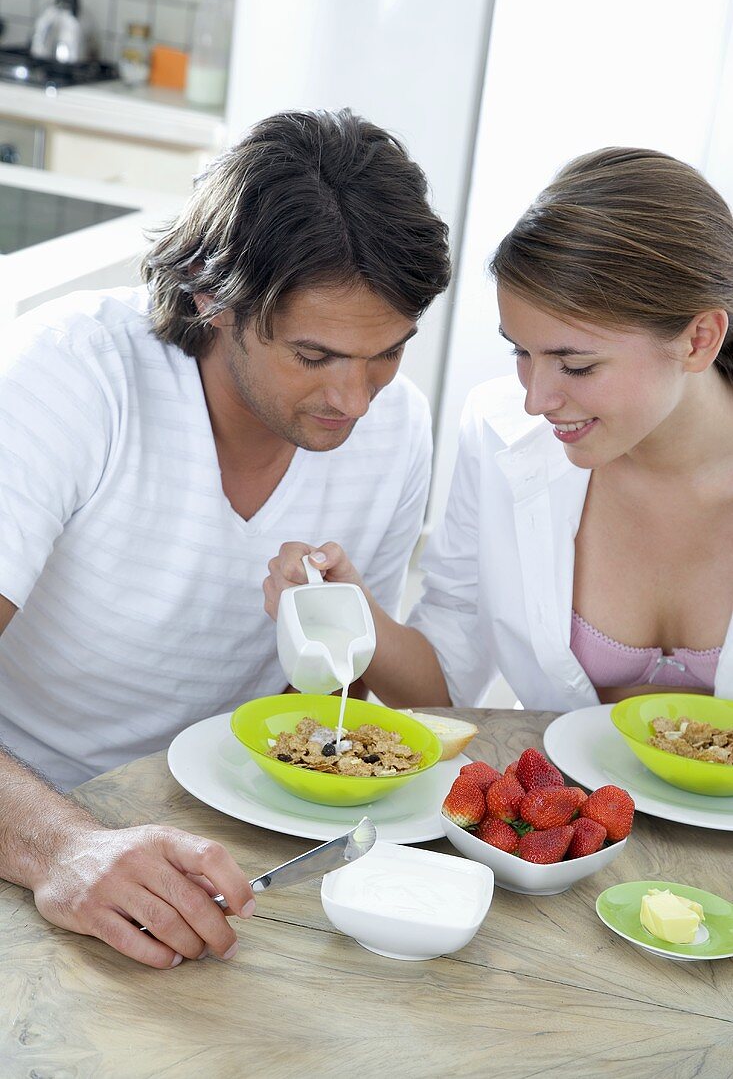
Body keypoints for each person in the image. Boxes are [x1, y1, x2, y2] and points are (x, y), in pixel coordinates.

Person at [0, 108, 451, 967]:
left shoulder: (397, 428)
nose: (354, 400)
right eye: (314, 356)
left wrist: (331, 628)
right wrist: (60, 846)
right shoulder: (66, 380)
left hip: (232, 842)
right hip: (32, 828)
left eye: (388, 352)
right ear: (213, 297)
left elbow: (350, 702)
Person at [266, 147, 733, 714]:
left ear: (699, 339)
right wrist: (351, 608)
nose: (536, 400)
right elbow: (445, 692)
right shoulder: (499, 431)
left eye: (577, 365)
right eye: (522, 353)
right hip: (566, 804)